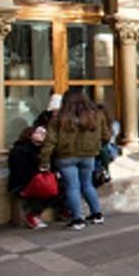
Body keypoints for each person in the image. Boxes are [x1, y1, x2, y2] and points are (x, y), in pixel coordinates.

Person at [38, 90, 109, 229]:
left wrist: (44, 161)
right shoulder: (96, 116)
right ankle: (97, 214)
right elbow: (106, 136)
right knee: (87, 184)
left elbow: (50, 142)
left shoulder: (58, 119)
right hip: (88, 155)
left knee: (72, 187)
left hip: (65, 156)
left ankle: (78, 219)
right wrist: (96, 146)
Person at [8, 126, 59, 229]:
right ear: (30, 134)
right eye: (39, 132)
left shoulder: (44, 150)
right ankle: (32, 215)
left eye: (44, 133)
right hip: (22, 183)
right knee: (44, 189)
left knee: (61, 187)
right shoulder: (20, 150)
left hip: (40, 180)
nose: (43, 135)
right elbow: (20, 171)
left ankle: (63, 211)